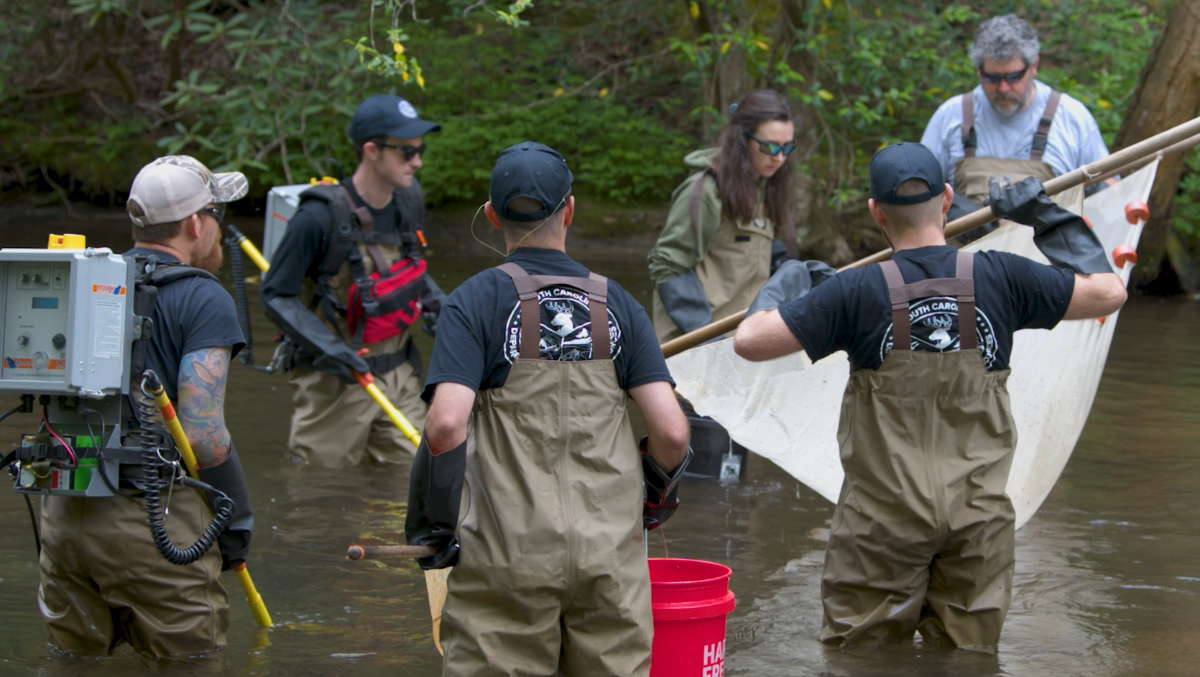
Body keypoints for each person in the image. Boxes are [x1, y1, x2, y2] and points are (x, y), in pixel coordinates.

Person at [732, 142, 1126, 652]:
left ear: (876, 212)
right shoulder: (1003, 275)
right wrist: (1043, 217)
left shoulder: (852, 292)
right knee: (966, 662)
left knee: (863, 661)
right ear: (945, 198)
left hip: (882, 526)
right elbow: (1108, 291)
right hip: (977, 522)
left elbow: (750, 341)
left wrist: (787, 283)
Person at [405, 142, 692, 675]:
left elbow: (445, 425)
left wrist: (436, 530)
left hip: (505, 554)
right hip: (610, 555)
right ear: (570, 209)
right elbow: (672, 432)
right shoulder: (621, 305)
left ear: (492, 216)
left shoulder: (473, 301)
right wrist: (654, 503)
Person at [38, 155, 254, 657]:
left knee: (73, 663)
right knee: (190, 665)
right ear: (195, 224)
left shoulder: (86, 282)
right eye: (215, 216)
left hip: (64, 510)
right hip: (153, 519)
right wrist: (236, 519)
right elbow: (202, 431)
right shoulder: (203, 298)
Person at [261, 94, 445, 468]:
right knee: (320, 496)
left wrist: (448, 313)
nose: (418, 161)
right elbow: (276, 295)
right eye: (406, 152)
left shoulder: (409, 201)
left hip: (399, 375)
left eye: (419, 150)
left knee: (416, 481)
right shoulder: (317, 218)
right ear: (371, 150)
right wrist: (333, 350)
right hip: (336, 382)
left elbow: (410, 271)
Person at [920, 14, 1116, 239]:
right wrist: (947, 211)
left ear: (1034, 65)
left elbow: (1110, 193)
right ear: (978, 71)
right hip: (967, 267)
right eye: (992, 78)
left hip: (1051, 268)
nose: (1003, 88)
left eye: (1013, 77)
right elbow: (919, 198)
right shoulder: (951, 116)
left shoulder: (1071, 117)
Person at [648, 89, 802, 343]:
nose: (779, 157)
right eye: (770, 146)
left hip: (747, 342)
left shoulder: (766, 183)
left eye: (787, 147)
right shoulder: (704, 191)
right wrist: (709, 340)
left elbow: (749, 250)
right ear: (742, 140)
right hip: (698, 349)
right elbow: (667, 266)